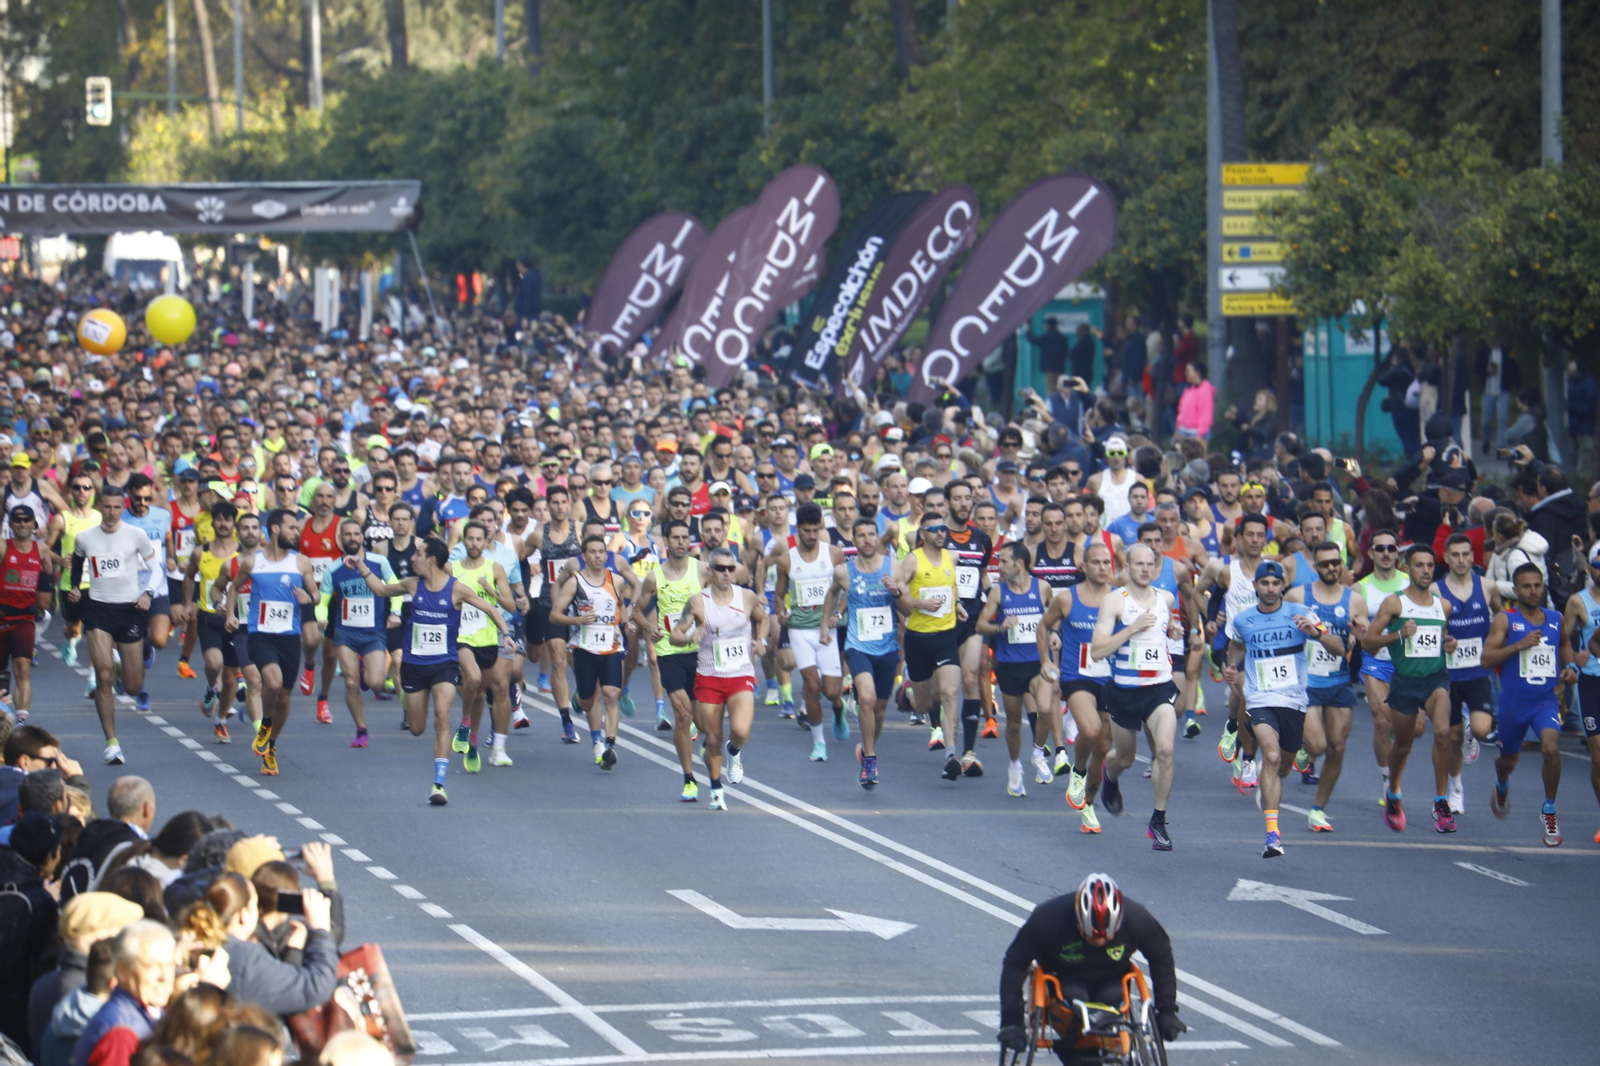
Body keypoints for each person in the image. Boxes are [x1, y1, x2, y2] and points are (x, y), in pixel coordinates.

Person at [352, 536, 510, 804]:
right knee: (416, 728)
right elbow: (380, 590)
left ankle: (439, 784)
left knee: (442, 715)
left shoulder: (457, 589)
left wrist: (506, 634)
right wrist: (362, 567)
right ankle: (406, 696)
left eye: (418, 554)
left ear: (431, 560)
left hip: (444, 664)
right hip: (415, 666)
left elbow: (490, 609)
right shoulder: (412, 585)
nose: (412, 558)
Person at [1223, 561, 1345, 858]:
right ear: (1255, 587)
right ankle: (1272, 834)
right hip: (1260, 699)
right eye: (1264, 583)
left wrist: (1315, 633)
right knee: (1273, 755)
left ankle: (1278, 770)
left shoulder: (1299, 613)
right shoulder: (1244, 619)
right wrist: (1231, 667)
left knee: (1285, 765)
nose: (1270, 589)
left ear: (1282, 586)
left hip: (1294, 701)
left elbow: (1339, 647)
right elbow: (1237, 646)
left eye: (1275, 584)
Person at [997, 873, 1182, 1061]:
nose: (1099, 941)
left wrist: (1166, 1010)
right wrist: (1012, 1022)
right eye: (1092, 936)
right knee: (1074, 1002)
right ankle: (1076, 1051)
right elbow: (1015, 962)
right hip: (1064, 979)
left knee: (1111, 997)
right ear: (1078, 921)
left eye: (1106, 937)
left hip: (1112, 980)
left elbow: (1161, 956)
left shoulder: (1137, 920)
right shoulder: (1048, 918)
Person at [1090, 542, 1183, 850]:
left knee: (1166, 751)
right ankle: (1111, 777)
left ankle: (1158, 821)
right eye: (1138, 564)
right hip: (1124, 691)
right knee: (1126, 757)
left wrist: (1174, 633)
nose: (1145, 569)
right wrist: (1131, 628)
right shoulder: (1115, 602)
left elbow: (1165, 632)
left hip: (1158, 688)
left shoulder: (1166, 599)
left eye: (1150, 564)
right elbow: (1098, 649)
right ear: (1127, 568)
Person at [1361, 545, 1458, 834]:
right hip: (1404, 682)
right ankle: (1393, 792)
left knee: (1443, 733)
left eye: (1430, 565)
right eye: (1419, 565)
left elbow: (1441, 638)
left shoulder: (1444, 605)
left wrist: (1448, 644)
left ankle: (1441, 802)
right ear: (1407, 568)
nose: (1426, 571)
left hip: (1435, 680)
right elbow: (1367, 641)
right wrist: (1398, 634)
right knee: (1403, 745)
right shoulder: (1395, 604)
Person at [670, 546, 770, 812]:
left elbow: (764, 619)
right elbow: (674, 636)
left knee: (740, 731)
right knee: (711, 735)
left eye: (731, 568)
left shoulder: (746, 597)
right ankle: (716, 789)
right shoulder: (698, 602)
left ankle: (734, 752)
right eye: (721, 569)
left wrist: (761, 641)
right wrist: (690, 636)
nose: (727, 573)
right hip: (709, 675)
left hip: (740, 674)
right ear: (711, 570)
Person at [222, 509, 320, 777]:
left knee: (285, 697)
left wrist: (308, 599)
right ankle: (265, 726)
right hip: (260, 635)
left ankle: (271, 746)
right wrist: (230, 614)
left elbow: (317, 595)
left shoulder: (301, 562)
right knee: (272, 683)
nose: (296, 532)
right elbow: (232, 588)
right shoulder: (253, 562)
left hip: (289, 637)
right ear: (276, 529)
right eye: (292, 528)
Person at [70, 484, 164, 765]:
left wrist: (148, 593)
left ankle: (123, 667)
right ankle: (112, 743)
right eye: (107, 507)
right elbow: (76, 566)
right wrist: (75, 588)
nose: (111, 513)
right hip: (97, 609)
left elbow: (156, 568)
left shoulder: (136, 535)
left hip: (129, 610)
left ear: (122, 507)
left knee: (133, 687)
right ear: (99, 506)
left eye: (116, 507)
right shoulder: (85, 537)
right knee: (103, 674)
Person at [1481, 563, 1569, 847]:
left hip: (1545, 702)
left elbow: (1565, 648)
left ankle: (1549, 810)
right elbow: (1486, 659)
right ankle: (1502, 785)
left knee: (1551, 750)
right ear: (1516, 590)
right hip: (1513, 704)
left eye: (1537, 585)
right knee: (1507, 762)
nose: (1533, 591)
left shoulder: (1556, 618)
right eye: (1527, 586)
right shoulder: (1506, 621)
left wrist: (1570, 669)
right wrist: (1518, 646)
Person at [822, 515, 897, 789]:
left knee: (879, 709)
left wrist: (897, 591)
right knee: (866, 698)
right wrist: (825, 623)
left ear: (878, 538)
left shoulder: (893, 567)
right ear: (854, 540)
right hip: (857, 645)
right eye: (861, 535)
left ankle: (866, 748)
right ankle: (870, 760)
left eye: (871, 535)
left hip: (888, 647)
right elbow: (832, 593)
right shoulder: (844, 571)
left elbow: (907, 606)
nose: (867, 540)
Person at [1297, 540, 1367, 832]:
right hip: (1307, 680)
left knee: (1337, 748)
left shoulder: (1354, 599)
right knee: (1318, 745)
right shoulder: (1299, 595)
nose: (1331, 567)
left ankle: (1317, 809)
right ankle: (1303, 747)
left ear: (1342, 564)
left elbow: (1364, 632)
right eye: (1325, 563)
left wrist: (1359, 636)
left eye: (1335, 562)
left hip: (1338, 679)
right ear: (1315, 567)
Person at [634, 520, 707, 800]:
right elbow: (636, 610)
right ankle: (689, 779)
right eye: (674, 537)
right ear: (665, 541)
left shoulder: (701, 570)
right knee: (683, 714)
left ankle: (704, 741)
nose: (680, 542)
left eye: (684, 537)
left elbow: (723, 597)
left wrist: (705, 625)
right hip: (669, 652)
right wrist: (649, 627)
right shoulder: (654, 577)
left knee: (704, 721)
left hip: (699, 652)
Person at [892, 511, 967, 780]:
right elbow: (900, 600)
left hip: (946, 636)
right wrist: (922, 604)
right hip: (918, 639)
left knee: (948, 693)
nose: (939, 533)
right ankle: (908, 690)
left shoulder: (952, 557)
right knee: (923, 706)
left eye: (942, 529)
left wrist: (957, 605)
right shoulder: (911, 562)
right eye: (933, 529)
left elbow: (952, 586)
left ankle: (951, 754)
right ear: (922, 534)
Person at [770, 502, 847, 761]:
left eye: (816, 530)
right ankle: (819, 744)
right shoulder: (786, 559)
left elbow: (848, 589)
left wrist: (837, 613)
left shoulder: (834, 554)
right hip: (800, 630)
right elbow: (778, 597)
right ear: (797, 530)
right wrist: (780, 612)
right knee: (812, 687)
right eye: (806, 531)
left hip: (827, 631)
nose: (812, 536)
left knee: (832, 691)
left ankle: (838, 708)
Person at [317, 520, 401, 751]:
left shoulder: (378, 562)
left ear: (362, 537)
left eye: (356, 534)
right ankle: (361, 728)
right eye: (348, 534)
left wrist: (395, 612)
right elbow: (323, 601)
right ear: (341, 539)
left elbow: (396, 588)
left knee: (375, 683)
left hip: (373, 632)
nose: (352, 538)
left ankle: (367, 671)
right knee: (351, 682)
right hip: (345, 632)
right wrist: (321, 617)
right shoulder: (333, 569)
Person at [550, 535, 632, 770]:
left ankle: (609, 745)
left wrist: (627, 623)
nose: (598, 556)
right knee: (588, 701)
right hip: (585, 648)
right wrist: (577, 619)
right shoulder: (575, 582)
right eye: (593, 552)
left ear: (606, 555)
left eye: (601, 552)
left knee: (611, 694)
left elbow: (621, 607)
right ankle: (578, 698)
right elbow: (554, 615)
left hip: (611, 647)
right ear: (583, 556)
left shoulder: (616, 581)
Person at [975, 542, 1049, 798]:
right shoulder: (998, 592)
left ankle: (1038, 751)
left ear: (1019, 564)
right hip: (1009, 665)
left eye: (1004, 561)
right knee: (1015, 724)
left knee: (1046, 710)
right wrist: (999, 627)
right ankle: (1015, 766)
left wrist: (1055, 635)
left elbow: (1056, 618)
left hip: (1037, 663)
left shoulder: (1043, 588)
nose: (999, 566)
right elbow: (979, 625)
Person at [1438, 532, 1500, 815]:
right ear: (1446, 558)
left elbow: (1503, 618)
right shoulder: (1437, 591)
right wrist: (1443, 640)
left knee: (1482, 729)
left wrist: (1497, 644)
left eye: (1466, 554)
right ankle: (1456, 789)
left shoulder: (1487, 586)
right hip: (1448, 674)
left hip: (1477, 671)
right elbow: (1430, 630)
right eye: (1455, 555)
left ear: (1472, 557)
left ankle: (1470, 730)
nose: (1461, 560)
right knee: (1450, 739)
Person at [72, 921, 184, 1066]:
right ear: (123, 971)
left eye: (170, 965)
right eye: (152, 966)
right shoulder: (120, 1034)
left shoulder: (146, 1014)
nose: (164, 976)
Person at [184, 501, 241, 743]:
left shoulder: (244, 553)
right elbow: (188, 577)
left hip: (237, 622)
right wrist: (189, 603)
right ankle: (210, 687)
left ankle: (221, 721)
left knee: (230, 679)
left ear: (233, 523)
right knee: (213, 662)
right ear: (213, 522)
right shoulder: (201, 552)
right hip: (209, 617)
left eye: (228, 519)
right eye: (219, 519)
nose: (223, 523)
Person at [0, 505, 54, 723]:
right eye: (17, 520)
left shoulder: (40, 550)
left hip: (25, 618)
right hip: (2, 617)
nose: (22, 523)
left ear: (34, 524)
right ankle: (3, 717)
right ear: (11, 524)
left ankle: (21, 721)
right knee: (2, 673)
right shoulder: (4, 547)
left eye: (26, 520)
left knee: (23, 668)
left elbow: (48, 576)